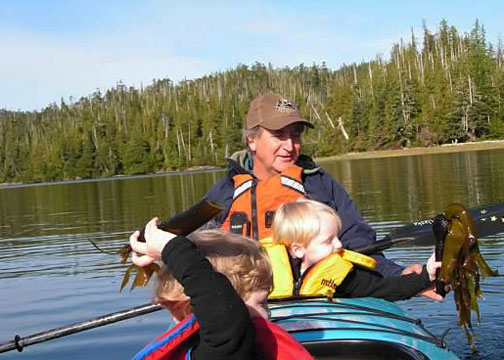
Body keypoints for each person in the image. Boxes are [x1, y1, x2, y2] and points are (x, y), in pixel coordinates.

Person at [204, 92, 426, 282]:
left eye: (296, 135)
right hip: (246, 300)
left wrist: (397, 274)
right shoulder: (225, 192)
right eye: (279, 135)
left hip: (315, 294)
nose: (290, 146)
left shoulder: (317, 183)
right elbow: (197, 250)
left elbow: (357, 242)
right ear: (252, 140)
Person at [129, 218, 313, 360]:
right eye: (261, 303)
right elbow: (225, 317)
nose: (268, 314)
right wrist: (173, 249)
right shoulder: (220, 351)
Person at [264, 199, 441, 301]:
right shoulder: (263, 269)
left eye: (337, 237)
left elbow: (385, 288)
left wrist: (425, 277)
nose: (339, 245)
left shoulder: (347, 275)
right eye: (328, 241)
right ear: (298, 249)